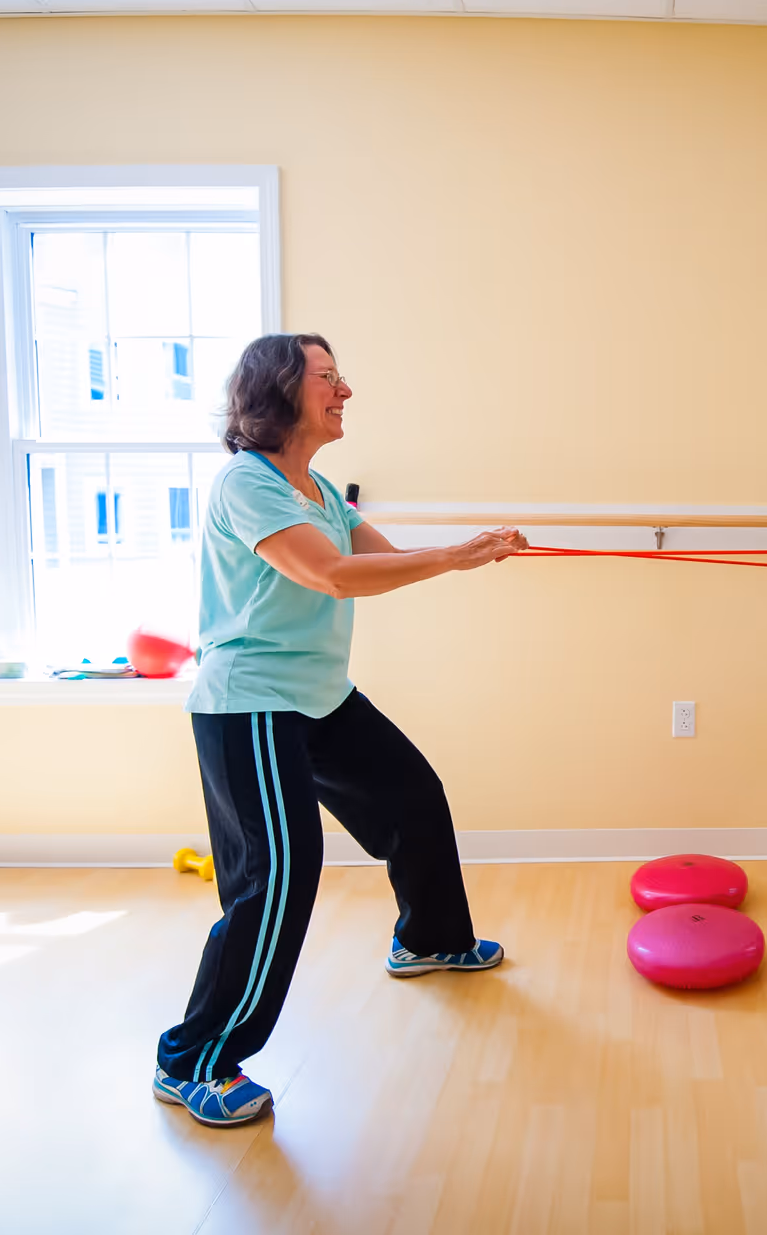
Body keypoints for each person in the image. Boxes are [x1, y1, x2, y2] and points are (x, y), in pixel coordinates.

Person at [153, 332, 527, 1126]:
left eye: (340, 377)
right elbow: (329, 574)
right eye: (328, 377)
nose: (345, 390)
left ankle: (428, 940)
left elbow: (377, 565)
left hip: (318, 694)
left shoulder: (319, 489)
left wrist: (473, 551)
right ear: (281, 391)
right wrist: (455, 556)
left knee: (413, 800)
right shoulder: (246, 485)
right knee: (280, 877)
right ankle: (195, 1059)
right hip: (250, 702)